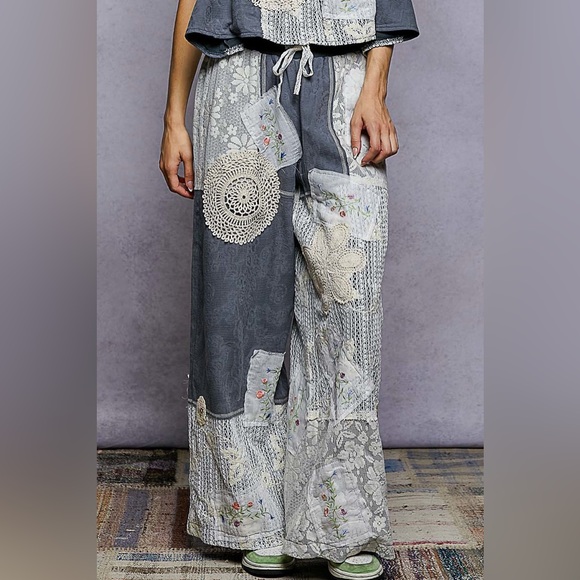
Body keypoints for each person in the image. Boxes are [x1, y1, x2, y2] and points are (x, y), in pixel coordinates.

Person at [159, 0, 419, 577]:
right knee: (236, 303)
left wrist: (375, 88)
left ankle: (342, 520)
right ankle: (255, 517)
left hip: (344, 81)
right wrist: (175, 116)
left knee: (348, 300)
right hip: (235, 79)